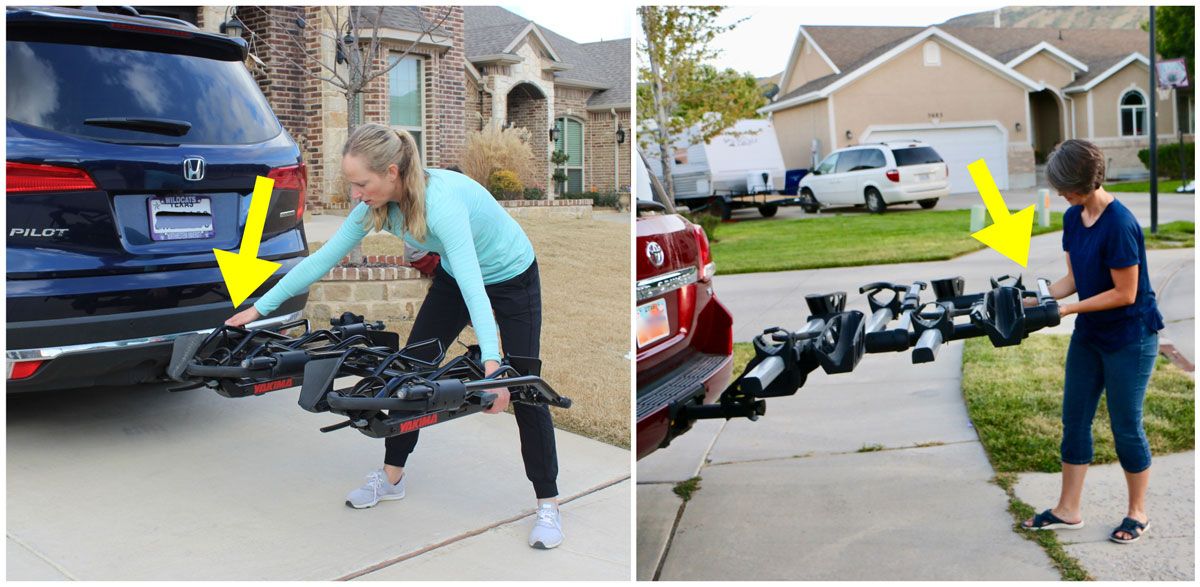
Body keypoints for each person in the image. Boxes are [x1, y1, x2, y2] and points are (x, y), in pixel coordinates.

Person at [226, 123, 563, 549]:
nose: (355, 194)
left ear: (391, 172)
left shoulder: (441, 203)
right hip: (455, 277)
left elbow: (476, 287)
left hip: (512, 275)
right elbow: (320, 261)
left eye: (361, 184)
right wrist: (259, 309)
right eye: (352, 185)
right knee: (410, 371)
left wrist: (494, 368)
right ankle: (392, 477)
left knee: (524, 386)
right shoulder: (375, 205)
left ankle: (548, 502)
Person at [1020, 139, 1164, 545]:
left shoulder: (1119, 224)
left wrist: (1068, 310)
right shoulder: (1073, 217)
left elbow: (1125, 293)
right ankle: (1068, 510)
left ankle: (1137, 512)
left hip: (1130, 337)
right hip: (1091, 335)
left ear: (1081, 182)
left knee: (1126, 427)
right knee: (1075, 419)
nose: (1059, 193)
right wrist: (1038, 298)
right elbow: (1075, 279)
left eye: (1063, 186)